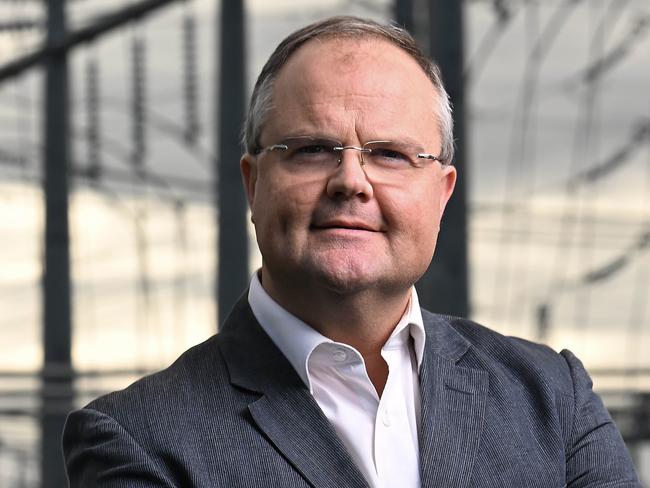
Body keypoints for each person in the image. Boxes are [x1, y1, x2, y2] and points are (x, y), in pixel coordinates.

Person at [63, 16, 640, 487]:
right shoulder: (139, 440)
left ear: (442, 196)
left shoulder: (551, 400)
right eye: (313, 149)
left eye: (390, 154)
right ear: (252, 185)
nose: (351, 181)